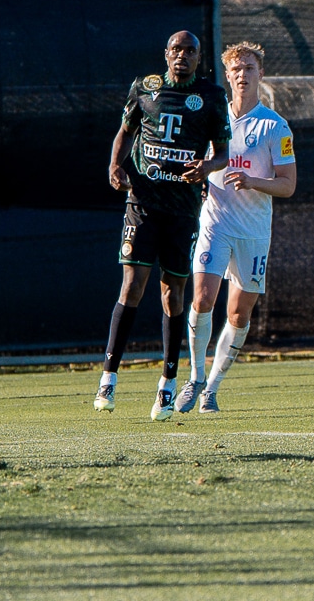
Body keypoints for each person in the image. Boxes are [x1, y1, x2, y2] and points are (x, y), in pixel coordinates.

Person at [96, 30, 229, 421]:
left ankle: (168, 385)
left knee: (173, 294)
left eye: (190, 50)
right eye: (176, 49)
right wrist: (114, 165)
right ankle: (108, 378)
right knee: (132, 285)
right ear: (166, 54)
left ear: (198, 57)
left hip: (183, 210)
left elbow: (222, 153)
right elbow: (125, 132)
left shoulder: (211, 97)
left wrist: (206, 166)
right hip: (142, 203)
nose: (182, 56)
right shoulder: (145, 87)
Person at [178, 41, 294, 416]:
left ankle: (212, 388)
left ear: (261, 75)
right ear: (227, 76)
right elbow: (199, 160)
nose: (243, 75)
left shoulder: (274, 126)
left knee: (238, 316)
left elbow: (288, 185)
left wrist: (253, 180)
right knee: (201, 299)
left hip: (254, 231)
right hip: (216, 222)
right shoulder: (214, 118)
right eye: (236, 69)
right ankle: (195, 378)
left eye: (249, 68)